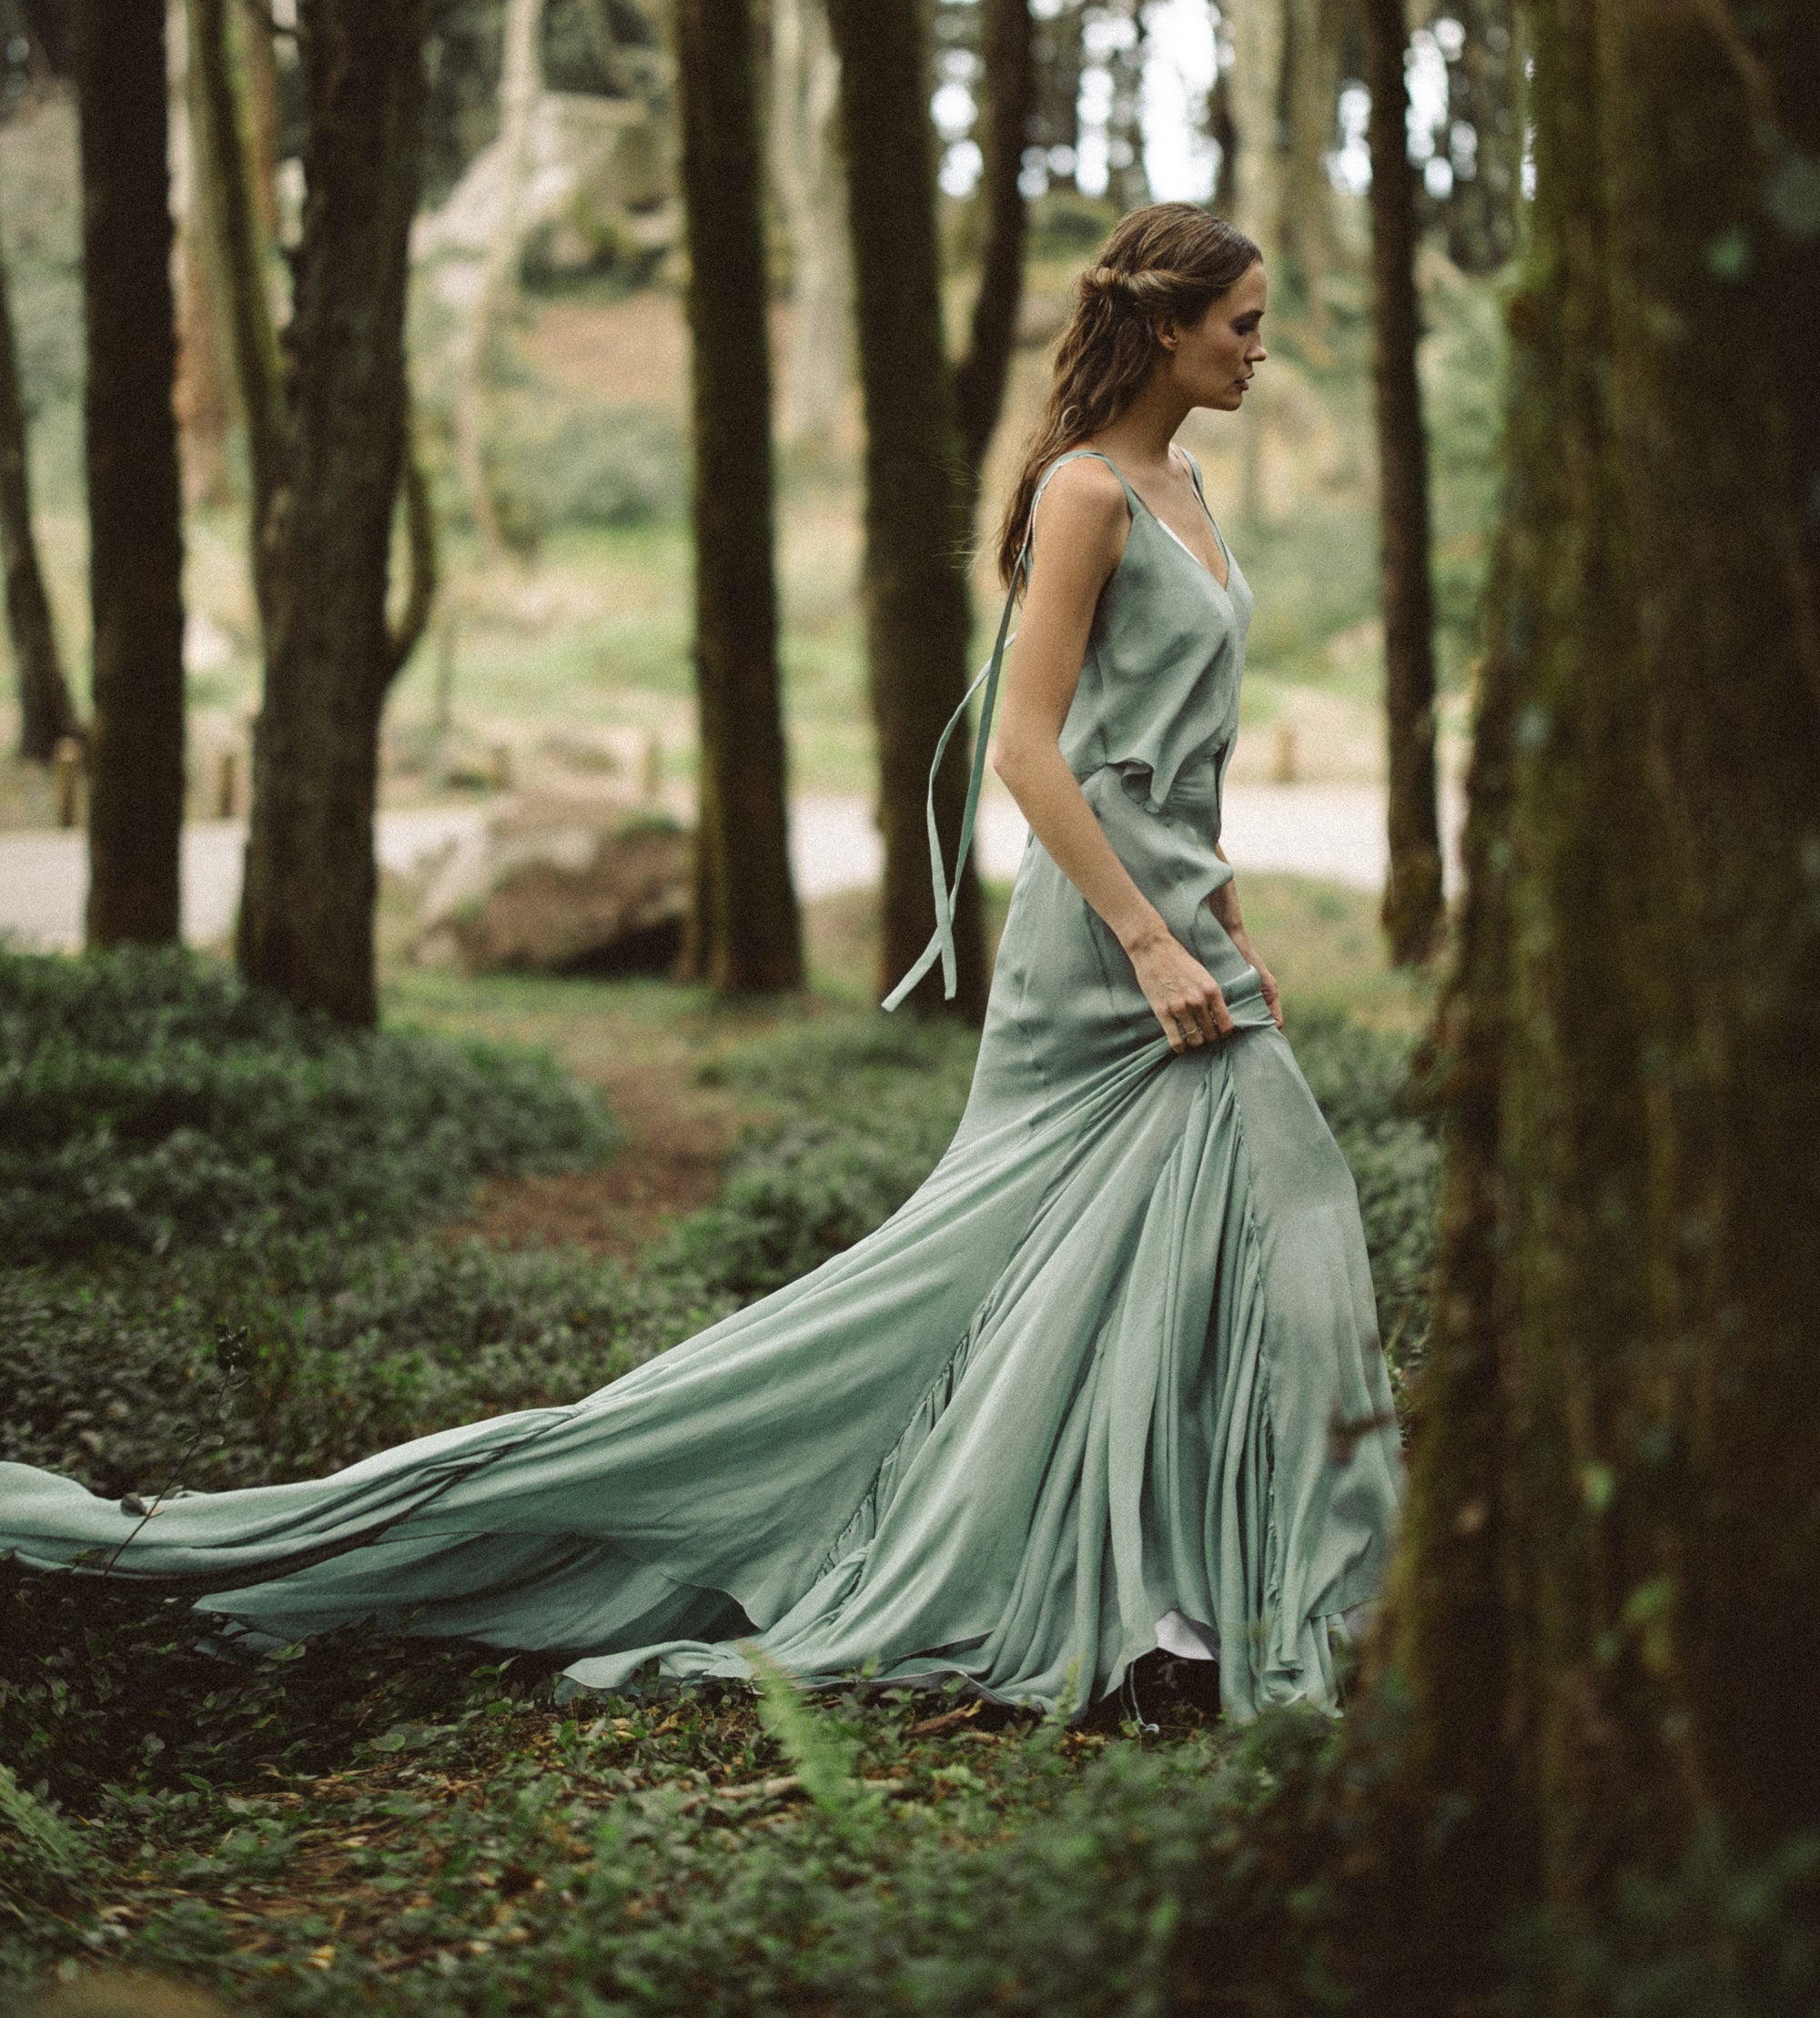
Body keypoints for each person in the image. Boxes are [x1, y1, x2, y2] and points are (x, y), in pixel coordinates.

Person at [0, 206, 1399, 1719]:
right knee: (1198, 1220)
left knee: (1180, 1247)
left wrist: (1225, 911)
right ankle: (1146, 1578)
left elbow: (1177, 741)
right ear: (1169, 326)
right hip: (1106, 939)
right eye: (1242, 323)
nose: (1263, 350)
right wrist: (1142, 938)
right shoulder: (1085, 494)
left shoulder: (1190, 480)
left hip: (1190, 909)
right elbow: (1025, 743)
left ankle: (1177, 1598)